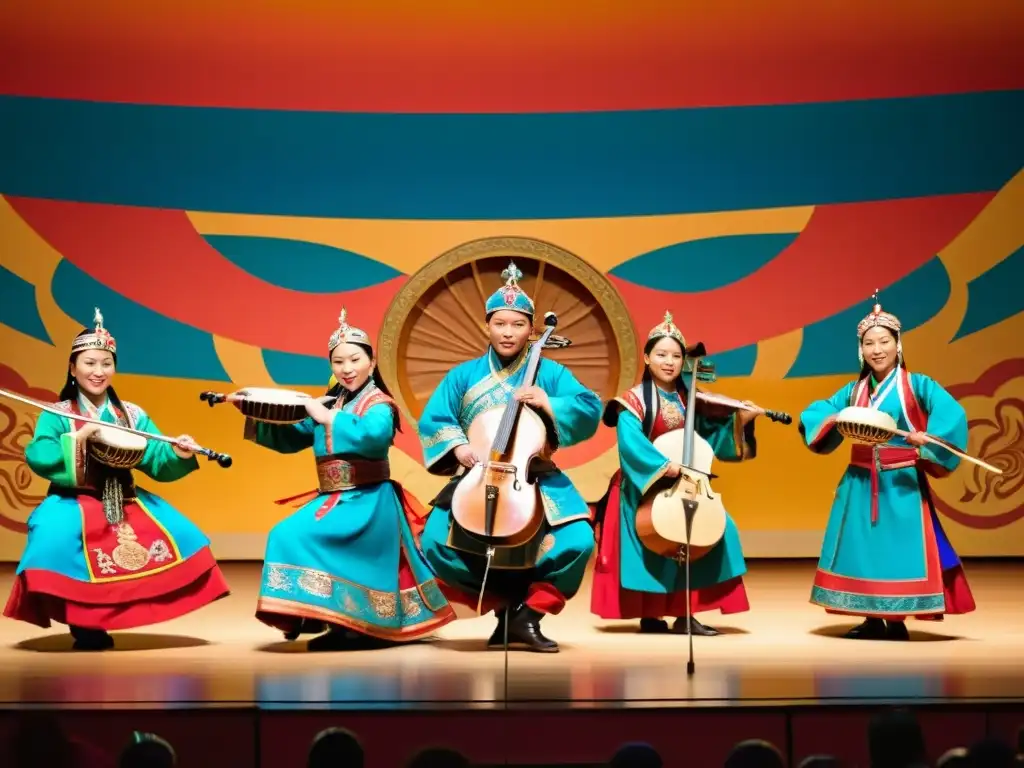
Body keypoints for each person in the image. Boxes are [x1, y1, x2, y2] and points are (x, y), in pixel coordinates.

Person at [3, 308, 230, 650]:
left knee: (181, 535)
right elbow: (40, 453)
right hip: (73, 498)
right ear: (72, 367)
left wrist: (180, 452)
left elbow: (154, 456)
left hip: (124, 496)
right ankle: (84, 623)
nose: (98, 372)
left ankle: (125, 613)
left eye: (106, 363)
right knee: (52, 538)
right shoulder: (59, 413)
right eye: (90, 363)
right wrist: (79, 437)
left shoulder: (132, 414)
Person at [417, 262, 601, 652]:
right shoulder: (463, 376)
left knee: (578, 540)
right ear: (488, 325)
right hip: (478, 474)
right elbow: (435, 418)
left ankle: (529, 615)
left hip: (533, 477)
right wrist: (458, 446)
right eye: (500, 324)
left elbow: (589, 406)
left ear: (531, 330)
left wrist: (549, 402)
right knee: (434, 540)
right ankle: (506, 610)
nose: (508, 332)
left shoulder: (549, 372)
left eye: (517, 325)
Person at [245, 309, 455, 650]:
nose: (347, 368)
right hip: (336, 499)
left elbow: (374, 436)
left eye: (355, 359)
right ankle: (314, 613)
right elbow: (295, 435)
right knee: (286, 534)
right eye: (338, 362)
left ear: (371, 363)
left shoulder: (379, 403)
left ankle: (348, 624)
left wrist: (328, 418)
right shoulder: (334, 400)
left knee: (296, 535)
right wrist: (255, 414)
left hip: (368, 500)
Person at [799, 295, 976, 640]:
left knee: (899, 552)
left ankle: (896, 621)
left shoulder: (917, 385)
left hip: (901, 484)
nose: (877, 349)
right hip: (860, 482)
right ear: (860, 349)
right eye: (869, 343)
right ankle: (871, 618)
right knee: (862, 552)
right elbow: (816, 411)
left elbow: (951, 414)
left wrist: (930, 437)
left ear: (898, 344)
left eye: (884, 341)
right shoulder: (854, 390)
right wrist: (836, 417)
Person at [591, 312, 756, 635]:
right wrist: (663, 466)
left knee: (714, 533)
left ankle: (687, 613)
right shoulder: (632, 401)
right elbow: (630, 442)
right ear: (647, 358)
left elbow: (708, 437)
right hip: (642, 485)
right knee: (654, 546)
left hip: (685, 483)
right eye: (662, 354)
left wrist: (741, 422)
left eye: (676, 356)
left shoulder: (689, 399)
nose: (669, 362)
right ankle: (651, 614)